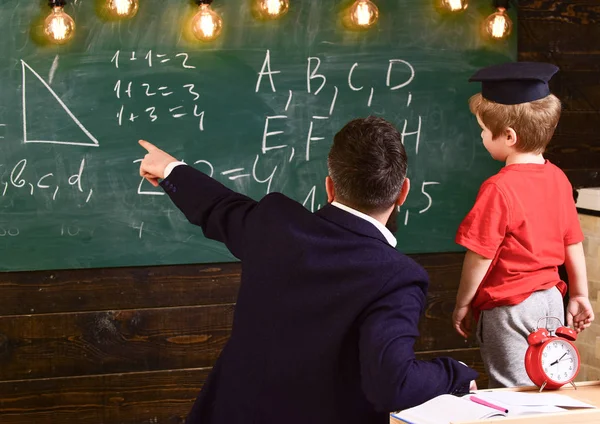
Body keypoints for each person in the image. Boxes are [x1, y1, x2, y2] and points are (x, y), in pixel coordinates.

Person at [139, 116, 478, 424]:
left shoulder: (275, 222)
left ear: (330, 187)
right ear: (403, 191)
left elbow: (218, 207)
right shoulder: (398, 277)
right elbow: (392, 384)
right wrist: (453, 373)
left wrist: (170, 168)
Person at [451, 62, 595, 388]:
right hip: (550, 301)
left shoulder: (499, 188)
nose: (482, 136)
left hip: (509, 306)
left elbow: (480, 256)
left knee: (513, 390)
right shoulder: (558, 178)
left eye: (484, 131)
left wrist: (463, 303)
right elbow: (572, 241)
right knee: (549, 382)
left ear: (509, 136)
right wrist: (579, 294)